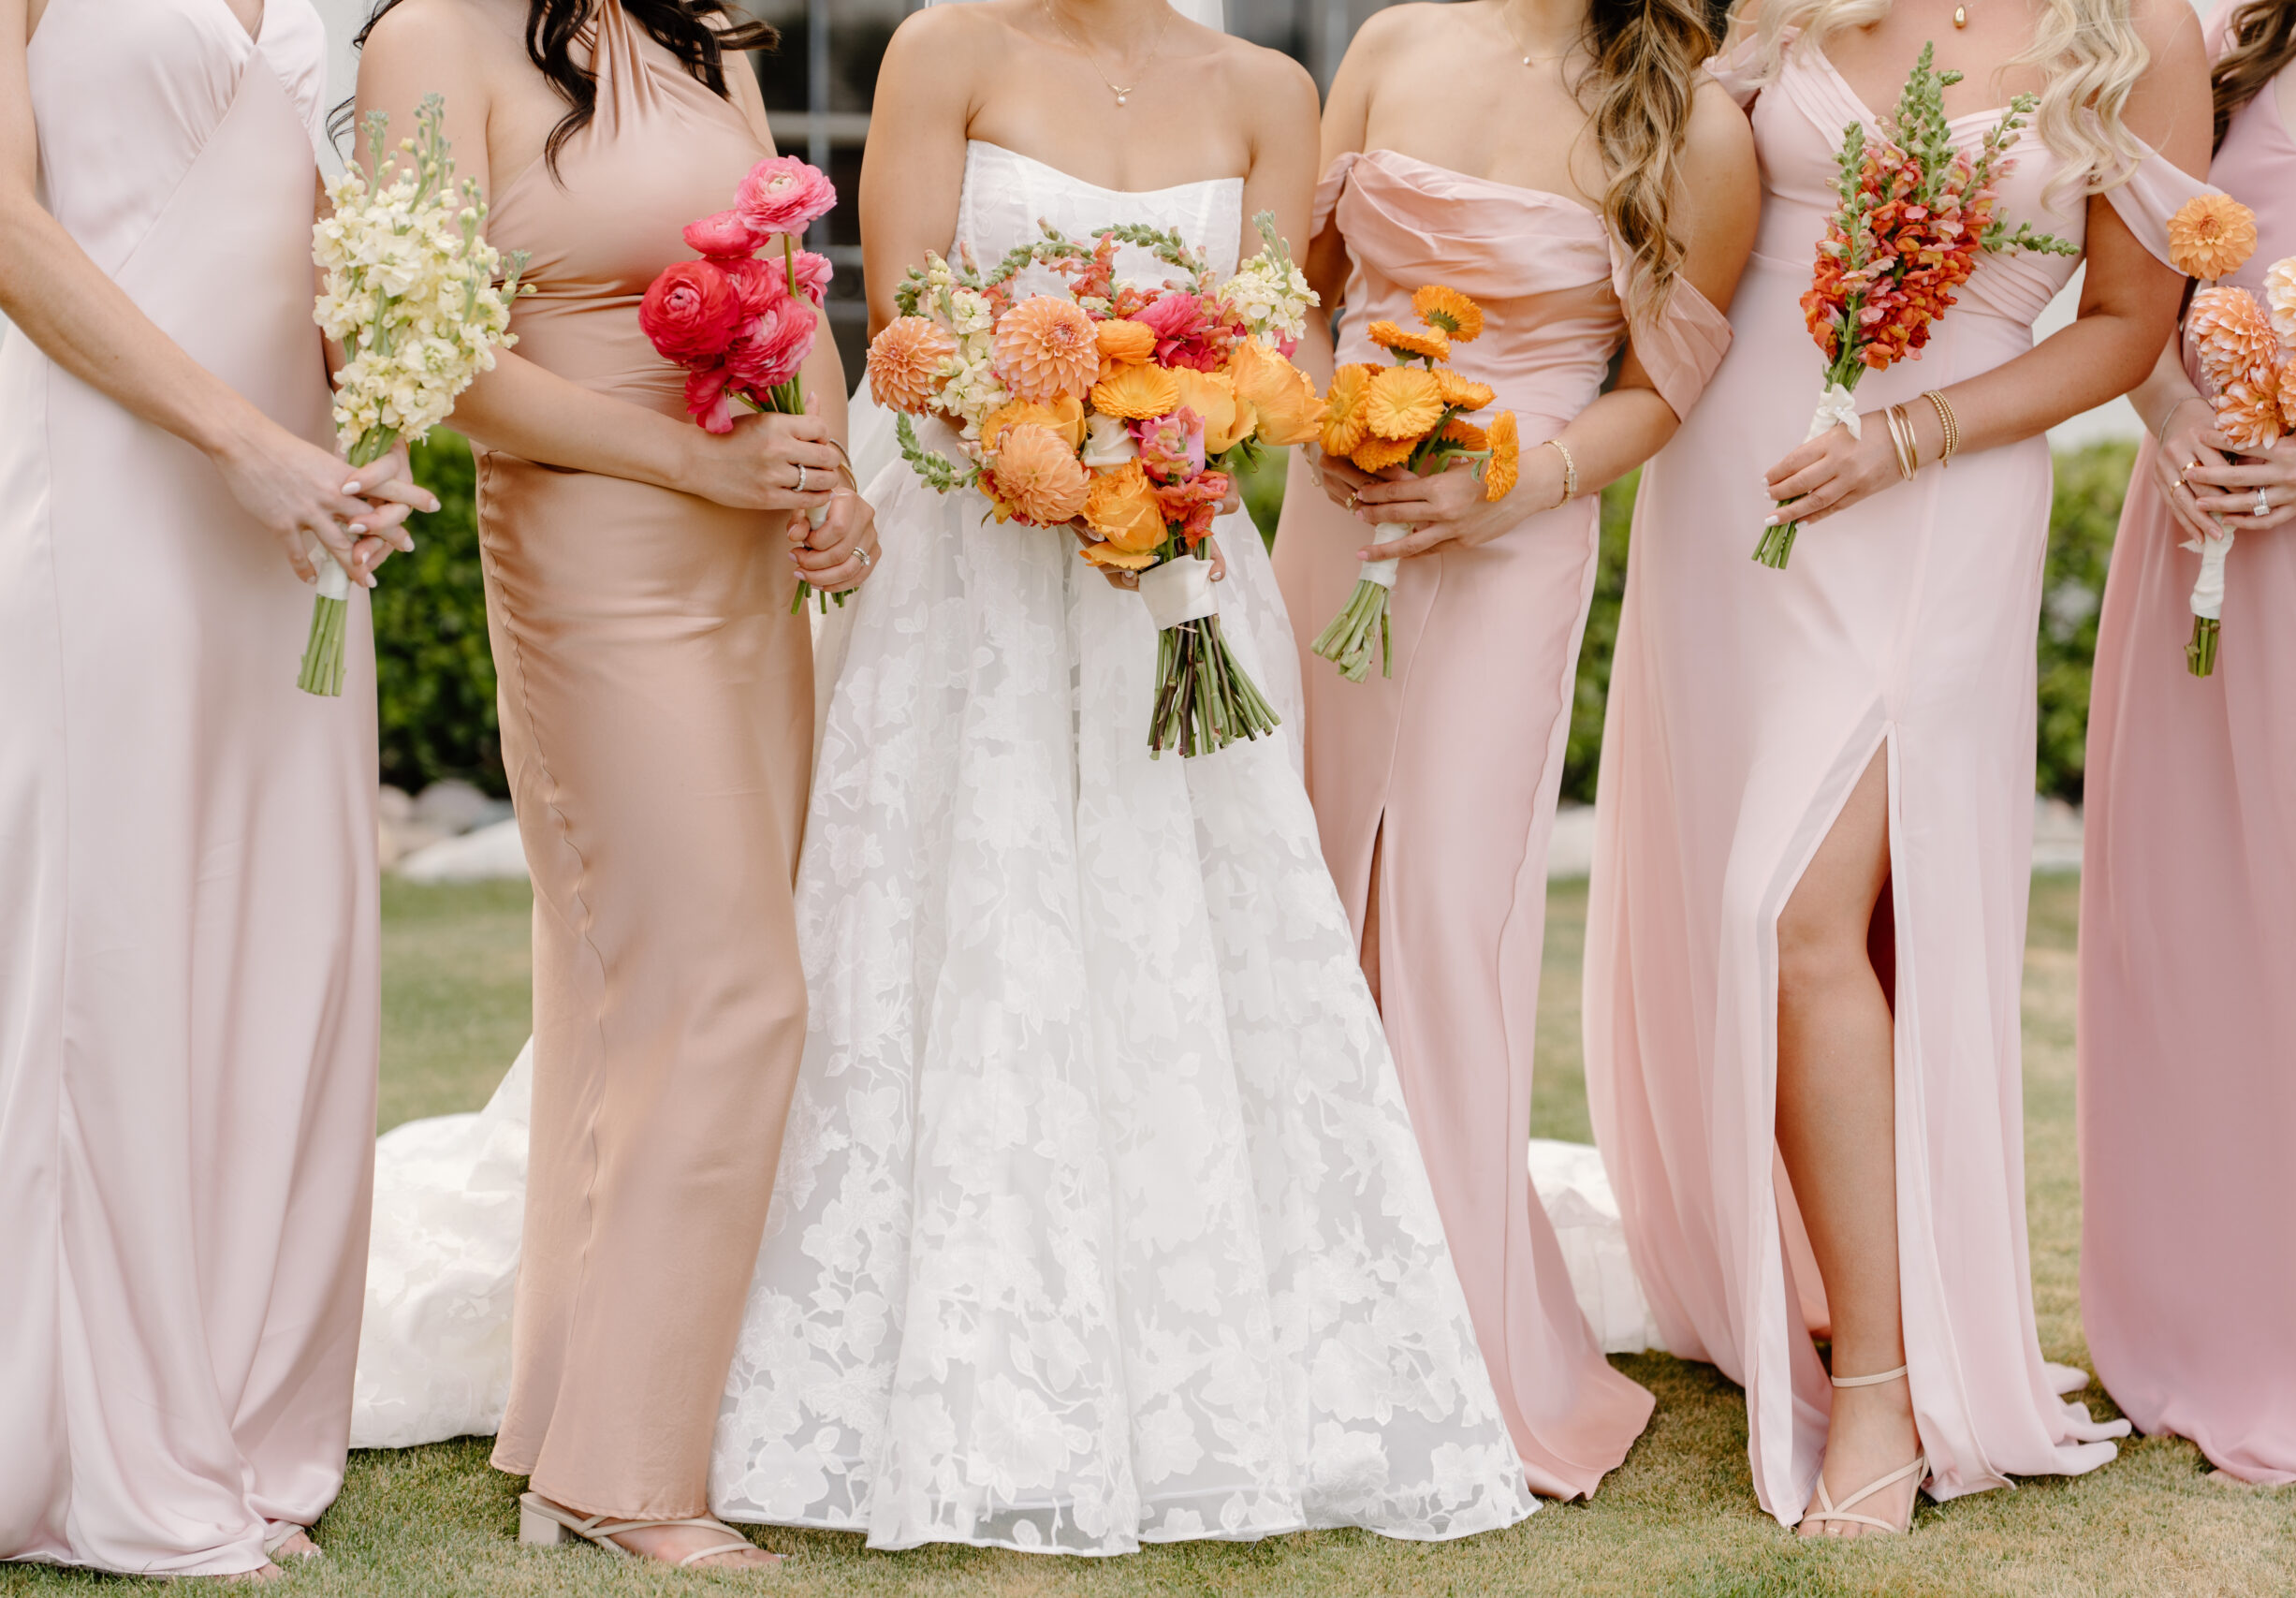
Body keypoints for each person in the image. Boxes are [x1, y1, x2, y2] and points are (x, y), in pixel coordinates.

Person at [703, 0, 1540, 1553]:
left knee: (1186, 937)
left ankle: (1197, 1375)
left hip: (1181, 566)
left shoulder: (1269, 89)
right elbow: (908, 334)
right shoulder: (944, 51)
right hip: (973, 561)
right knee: (962, 926)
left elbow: (1276, 338)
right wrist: (1061, 419)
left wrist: (1248, 428)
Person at [1581, 0, 2213, 1537]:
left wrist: (1913, 431)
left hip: (1937, 491)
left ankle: (1879, 1384)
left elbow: (2128, 328)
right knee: (1832, 930)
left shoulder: (2143, 31)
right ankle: (1828, 1288)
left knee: (1789, 914)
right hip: (1743, 475)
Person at [353, 0, 873, 1569]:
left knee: (630, 992)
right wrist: (695, 467)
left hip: (740, 556)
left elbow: (791, 288)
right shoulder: (427, 41)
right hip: (594, 550)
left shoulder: (701, 32)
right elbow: (427, 360)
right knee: (733, 988)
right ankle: (629, 1473)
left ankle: (574, 1415)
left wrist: (826, 476)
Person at [1270, 0, 1757, 1498]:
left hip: (1515, 534)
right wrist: (1325, 418)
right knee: (1291, 881)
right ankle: (1275, 1306)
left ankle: (1449, 1336)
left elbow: (1663, 392)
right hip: (1333, 514)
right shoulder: (1390, 43)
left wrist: (1511, 488)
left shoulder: (1699, 123)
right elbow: (1299, 288)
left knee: (1438, 914)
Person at [0, 0, 433, 1577]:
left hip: (290, 512)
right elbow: (6, 222)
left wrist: (370, 400)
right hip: (107, 476)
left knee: (275, 935)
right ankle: (89, 1430)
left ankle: (236, 1407)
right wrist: (238, 438)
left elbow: (319, 242)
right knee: (104, 924)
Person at [2077, 0, 2296, 1487]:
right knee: (2212, 912)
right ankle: (2238, 1310)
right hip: (2205, 537)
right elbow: (2116, 286)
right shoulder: (2223, 43)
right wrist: (2162, 417)